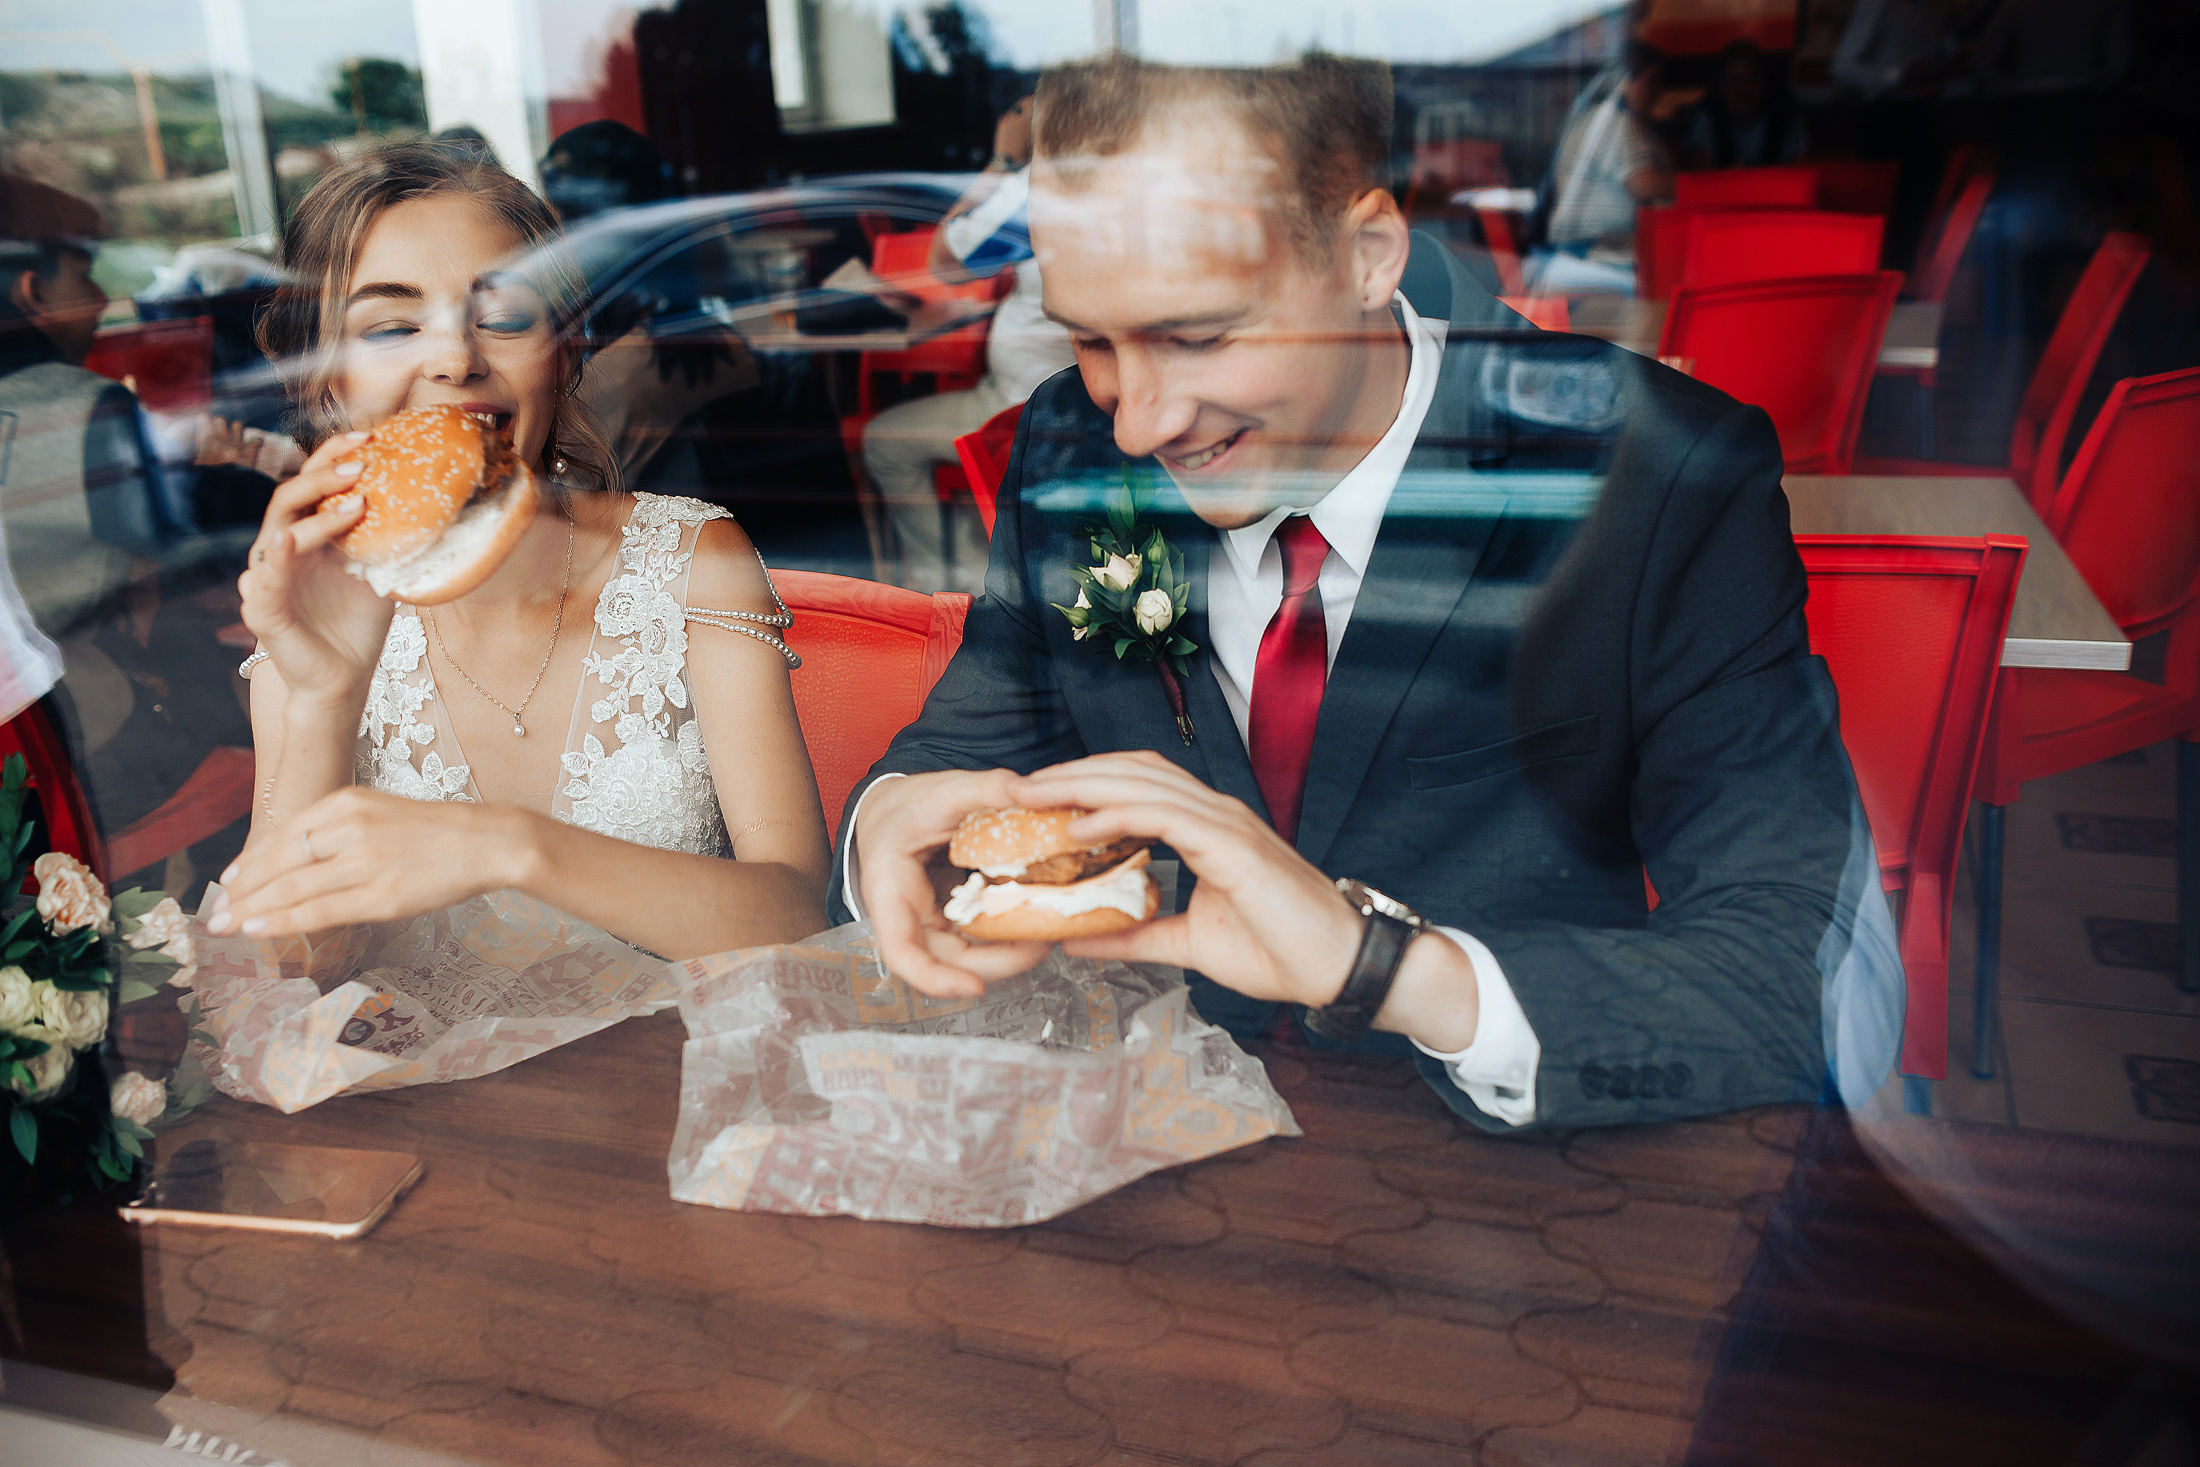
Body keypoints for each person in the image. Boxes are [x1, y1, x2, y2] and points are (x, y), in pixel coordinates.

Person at [829, 55, 1900, 1133]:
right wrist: (888, 827)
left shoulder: (1655, 476)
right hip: (1153, 1126)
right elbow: (955, 752)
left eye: (1197, 335)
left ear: (1366, 256)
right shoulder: (1070, 442)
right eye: (1091, 338)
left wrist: (1377, 969)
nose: (1135, 424)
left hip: (1497, 1174)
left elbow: (1814, 978)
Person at [207, 142, 829, 959]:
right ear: (328, 384)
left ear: (564, 349)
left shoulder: (690, 557)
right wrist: (327, 695)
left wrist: (509, 847)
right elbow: (281, 979)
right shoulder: (307, 614)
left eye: (503, 315)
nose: (455, 359)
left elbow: (798, 918)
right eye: (392, 326)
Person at [860, 94, 1079, 594]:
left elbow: (945, 261)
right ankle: (978, 573)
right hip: (1065, 402)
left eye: (1023, 107)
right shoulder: (1113, 186)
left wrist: (1003, 160)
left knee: (883, 441)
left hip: (1022, 408)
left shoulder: (1035, 189)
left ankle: (951, 594)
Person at [1532, 42, 1673, 295]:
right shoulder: (1613, 122)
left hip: (1604, 254)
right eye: (1650, 82)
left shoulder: (1626, 123)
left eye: (1660, 82)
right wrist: (1696, 186)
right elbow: (1645, 184)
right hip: (1589, 258)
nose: (1657, 91)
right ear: (1625, 82)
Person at [1684, 41, 1807, 170]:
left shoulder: (1783, 114)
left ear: (1763, 83)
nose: (1744, 90)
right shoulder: (1707, 117)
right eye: (1735, 81)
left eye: (1752, 80)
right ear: (1721, 85)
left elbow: (1795, 171)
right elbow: (1704, 178)